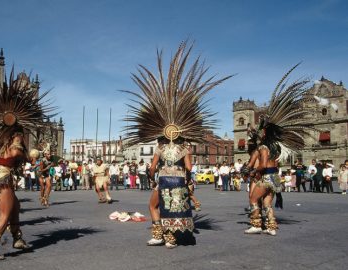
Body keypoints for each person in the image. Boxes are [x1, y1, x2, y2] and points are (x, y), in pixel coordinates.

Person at [123, 42, 231, 248]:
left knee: (154, 206)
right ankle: (172, 237)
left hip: (164, 179)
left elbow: (152, 167)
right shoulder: (185, 148)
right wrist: (187, 181)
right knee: (175, 207)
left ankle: (160, 235)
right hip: (180, 181)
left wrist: (153, 177)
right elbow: (190, 168)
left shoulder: (162, 148)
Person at [0, 69, 52, 260]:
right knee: (6, 213)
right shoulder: (15, 136)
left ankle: (17, 239)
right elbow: (16, 152)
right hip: (3, 178)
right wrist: (26, 157)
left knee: (15, 206)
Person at [243, 64, 315, 236]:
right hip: (276, 178)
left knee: (253, 199)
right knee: (267, 202)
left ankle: (256, 224)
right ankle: (272, 226)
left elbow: (262, 164)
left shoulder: (263, 147)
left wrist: (252, 170)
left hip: (266, 177)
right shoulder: (277, 147)